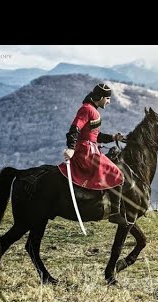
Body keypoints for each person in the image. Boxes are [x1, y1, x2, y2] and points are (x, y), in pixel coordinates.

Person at [57, 83, 126, 225]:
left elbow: (94, 135)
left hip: (89, 147)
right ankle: (114, 213)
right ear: (100, 97)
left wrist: (113, 137)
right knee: (117, 174)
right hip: (85, 152)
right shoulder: (87, 109)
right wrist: (70, 148)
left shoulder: (91, 109)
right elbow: (74, 128)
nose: (109, 101)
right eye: (107, 98)